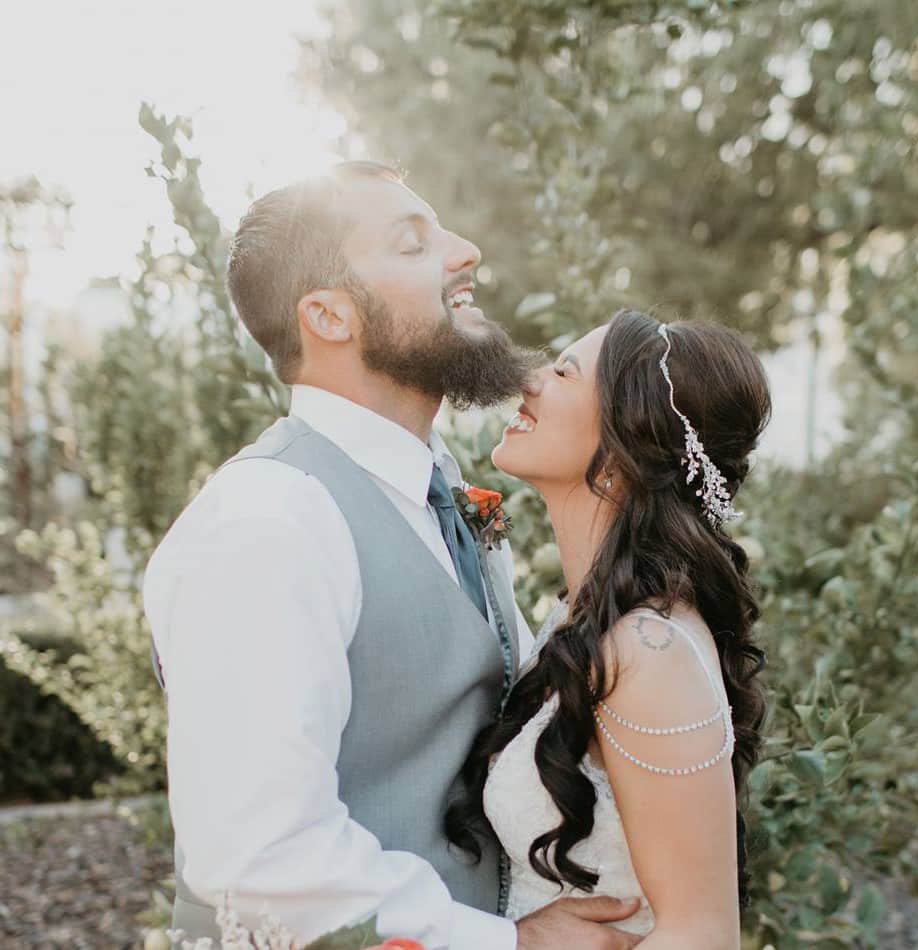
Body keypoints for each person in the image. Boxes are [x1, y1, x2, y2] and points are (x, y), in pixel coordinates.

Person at [143, 162, 644, 949]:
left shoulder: (438, 489)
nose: (466, 251)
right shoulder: (266, 522)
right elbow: (258, 857)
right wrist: (516, 945)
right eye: (414, 244)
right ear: (330, 316)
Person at [447, 310, 771, 948]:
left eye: (564, 372)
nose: (531, 380)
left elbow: (702, 935)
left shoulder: (647, 650)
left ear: (626, 446)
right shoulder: (586, 617)